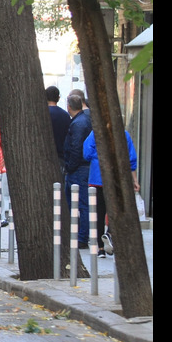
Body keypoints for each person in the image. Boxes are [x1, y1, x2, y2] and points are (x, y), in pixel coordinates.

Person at [83, 129, 139, 257]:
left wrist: (98, 158)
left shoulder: (95, 132)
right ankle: (109, 233)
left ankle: (101, 249)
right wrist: (134, 179)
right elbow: (131, 159)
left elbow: (86, 153)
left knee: (99, 212)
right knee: (117, 210)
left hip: (97, 178)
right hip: (117, 179)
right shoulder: (123, 133)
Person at [63, 94, 92, 248]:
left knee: (81, 203)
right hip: (79, 167)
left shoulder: (79, 123)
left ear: (69, 106)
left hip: (79, 168)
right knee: (78, 203)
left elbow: (76, 147)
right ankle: (78, 234)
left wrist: (70, 166)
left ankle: (81, 237)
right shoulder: (82, 120)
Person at [46, 86, 71, 164]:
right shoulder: (65, 115)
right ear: (58, 98)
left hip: (45, 154)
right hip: (61, 155)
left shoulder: (42, 114)